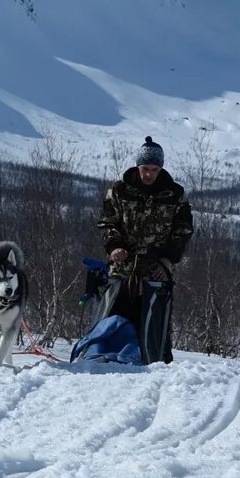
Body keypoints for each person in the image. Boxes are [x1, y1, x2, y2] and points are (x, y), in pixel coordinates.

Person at [95, 136, 195, 363]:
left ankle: (158, 366)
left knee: (156, 326)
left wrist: (168, 261)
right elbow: (106, 222)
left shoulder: (175, 195)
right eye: (144, 168)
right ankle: (104, 360)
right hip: (122, 269)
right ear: (137, 166)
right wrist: (114, 246)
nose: (148, 174)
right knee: (112, 319)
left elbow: (184, 229)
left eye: (153, 169)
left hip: (156, 270)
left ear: (160, 168)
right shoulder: (120, 191)